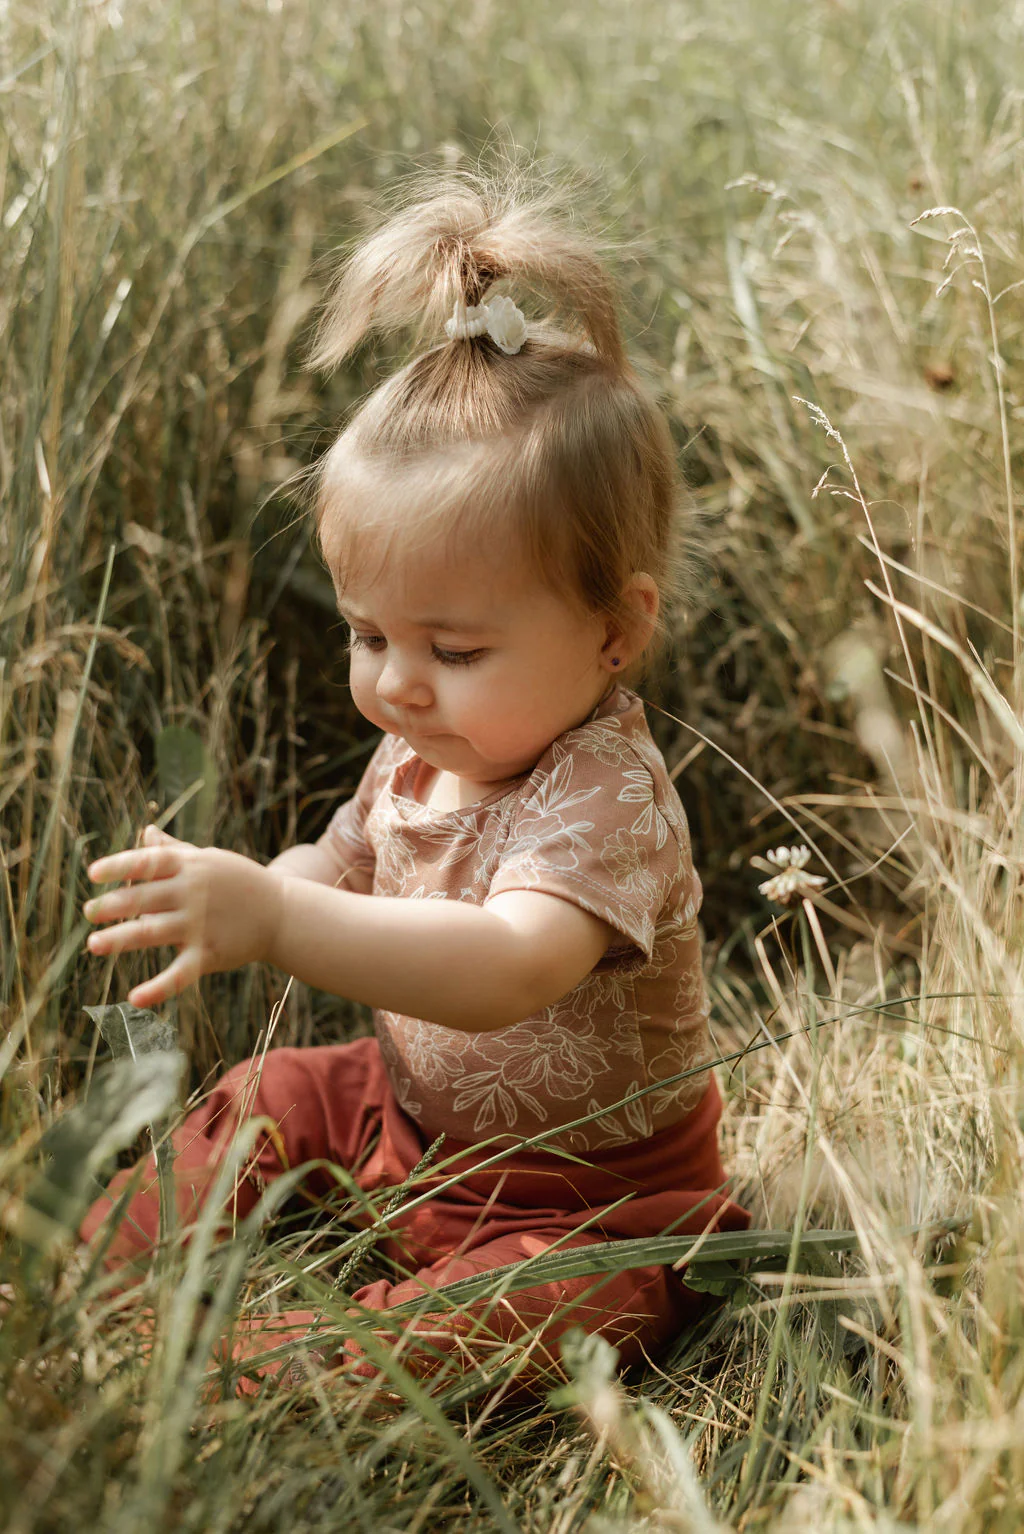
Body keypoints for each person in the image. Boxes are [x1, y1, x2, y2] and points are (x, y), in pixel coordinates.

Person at [80, 174, 750, 1403]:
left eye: (452, 648)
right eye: (365, 632)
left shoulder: (606, 794)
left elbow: (505, 967)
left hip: (595, 1201)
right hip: (412, 1128)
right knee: (274, 1092)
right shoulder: (430, 743)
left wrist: (281, 922)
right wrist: (257, 896)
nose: (396, 684)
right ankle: (81, 1286)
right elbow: (344, 860)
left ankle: (254, 1380)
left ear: (614, 630)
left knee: (532, 1308)